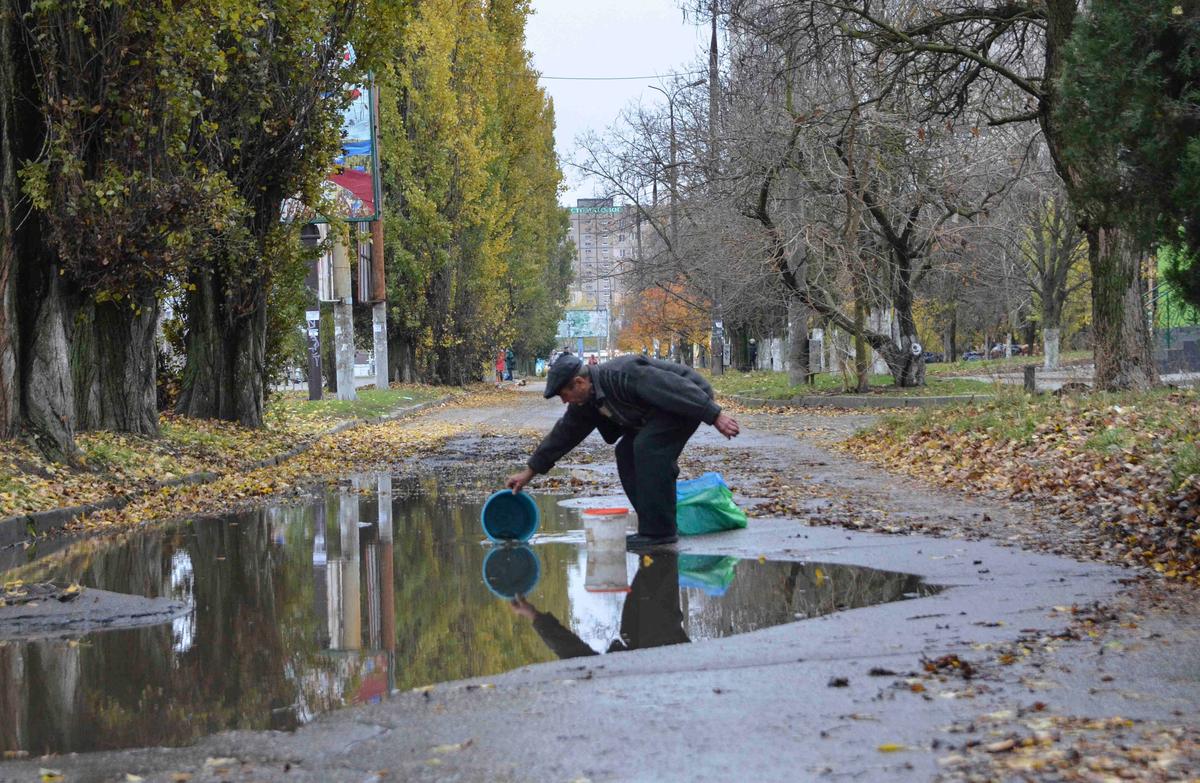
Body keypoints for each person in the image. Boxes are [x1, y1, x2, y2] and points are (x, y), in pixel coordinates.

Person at [506, 352, 740, 547]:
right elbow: (563, 435)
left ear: (579, 382)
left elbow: (674, 388)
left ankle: (660, 532)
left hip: (687, 399)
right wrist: (529, 472)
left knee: (648, 447)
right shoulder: (586, 400)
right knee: (626, 453)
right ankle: (654, 523)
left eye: (563, 394)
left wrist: (715, 415)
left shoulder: (623, 373)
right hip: (656, 412)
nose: (564, 402)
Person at [509, 551, 688, 657]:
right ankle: (658, 538)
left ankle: (658, 537)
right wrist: (534, 616)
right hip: (655, 644)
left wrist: (535, 617)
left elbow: (574, 653)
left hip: (650, 644)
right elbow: (575, 653)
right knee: (657, 556)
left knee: (657, 554)